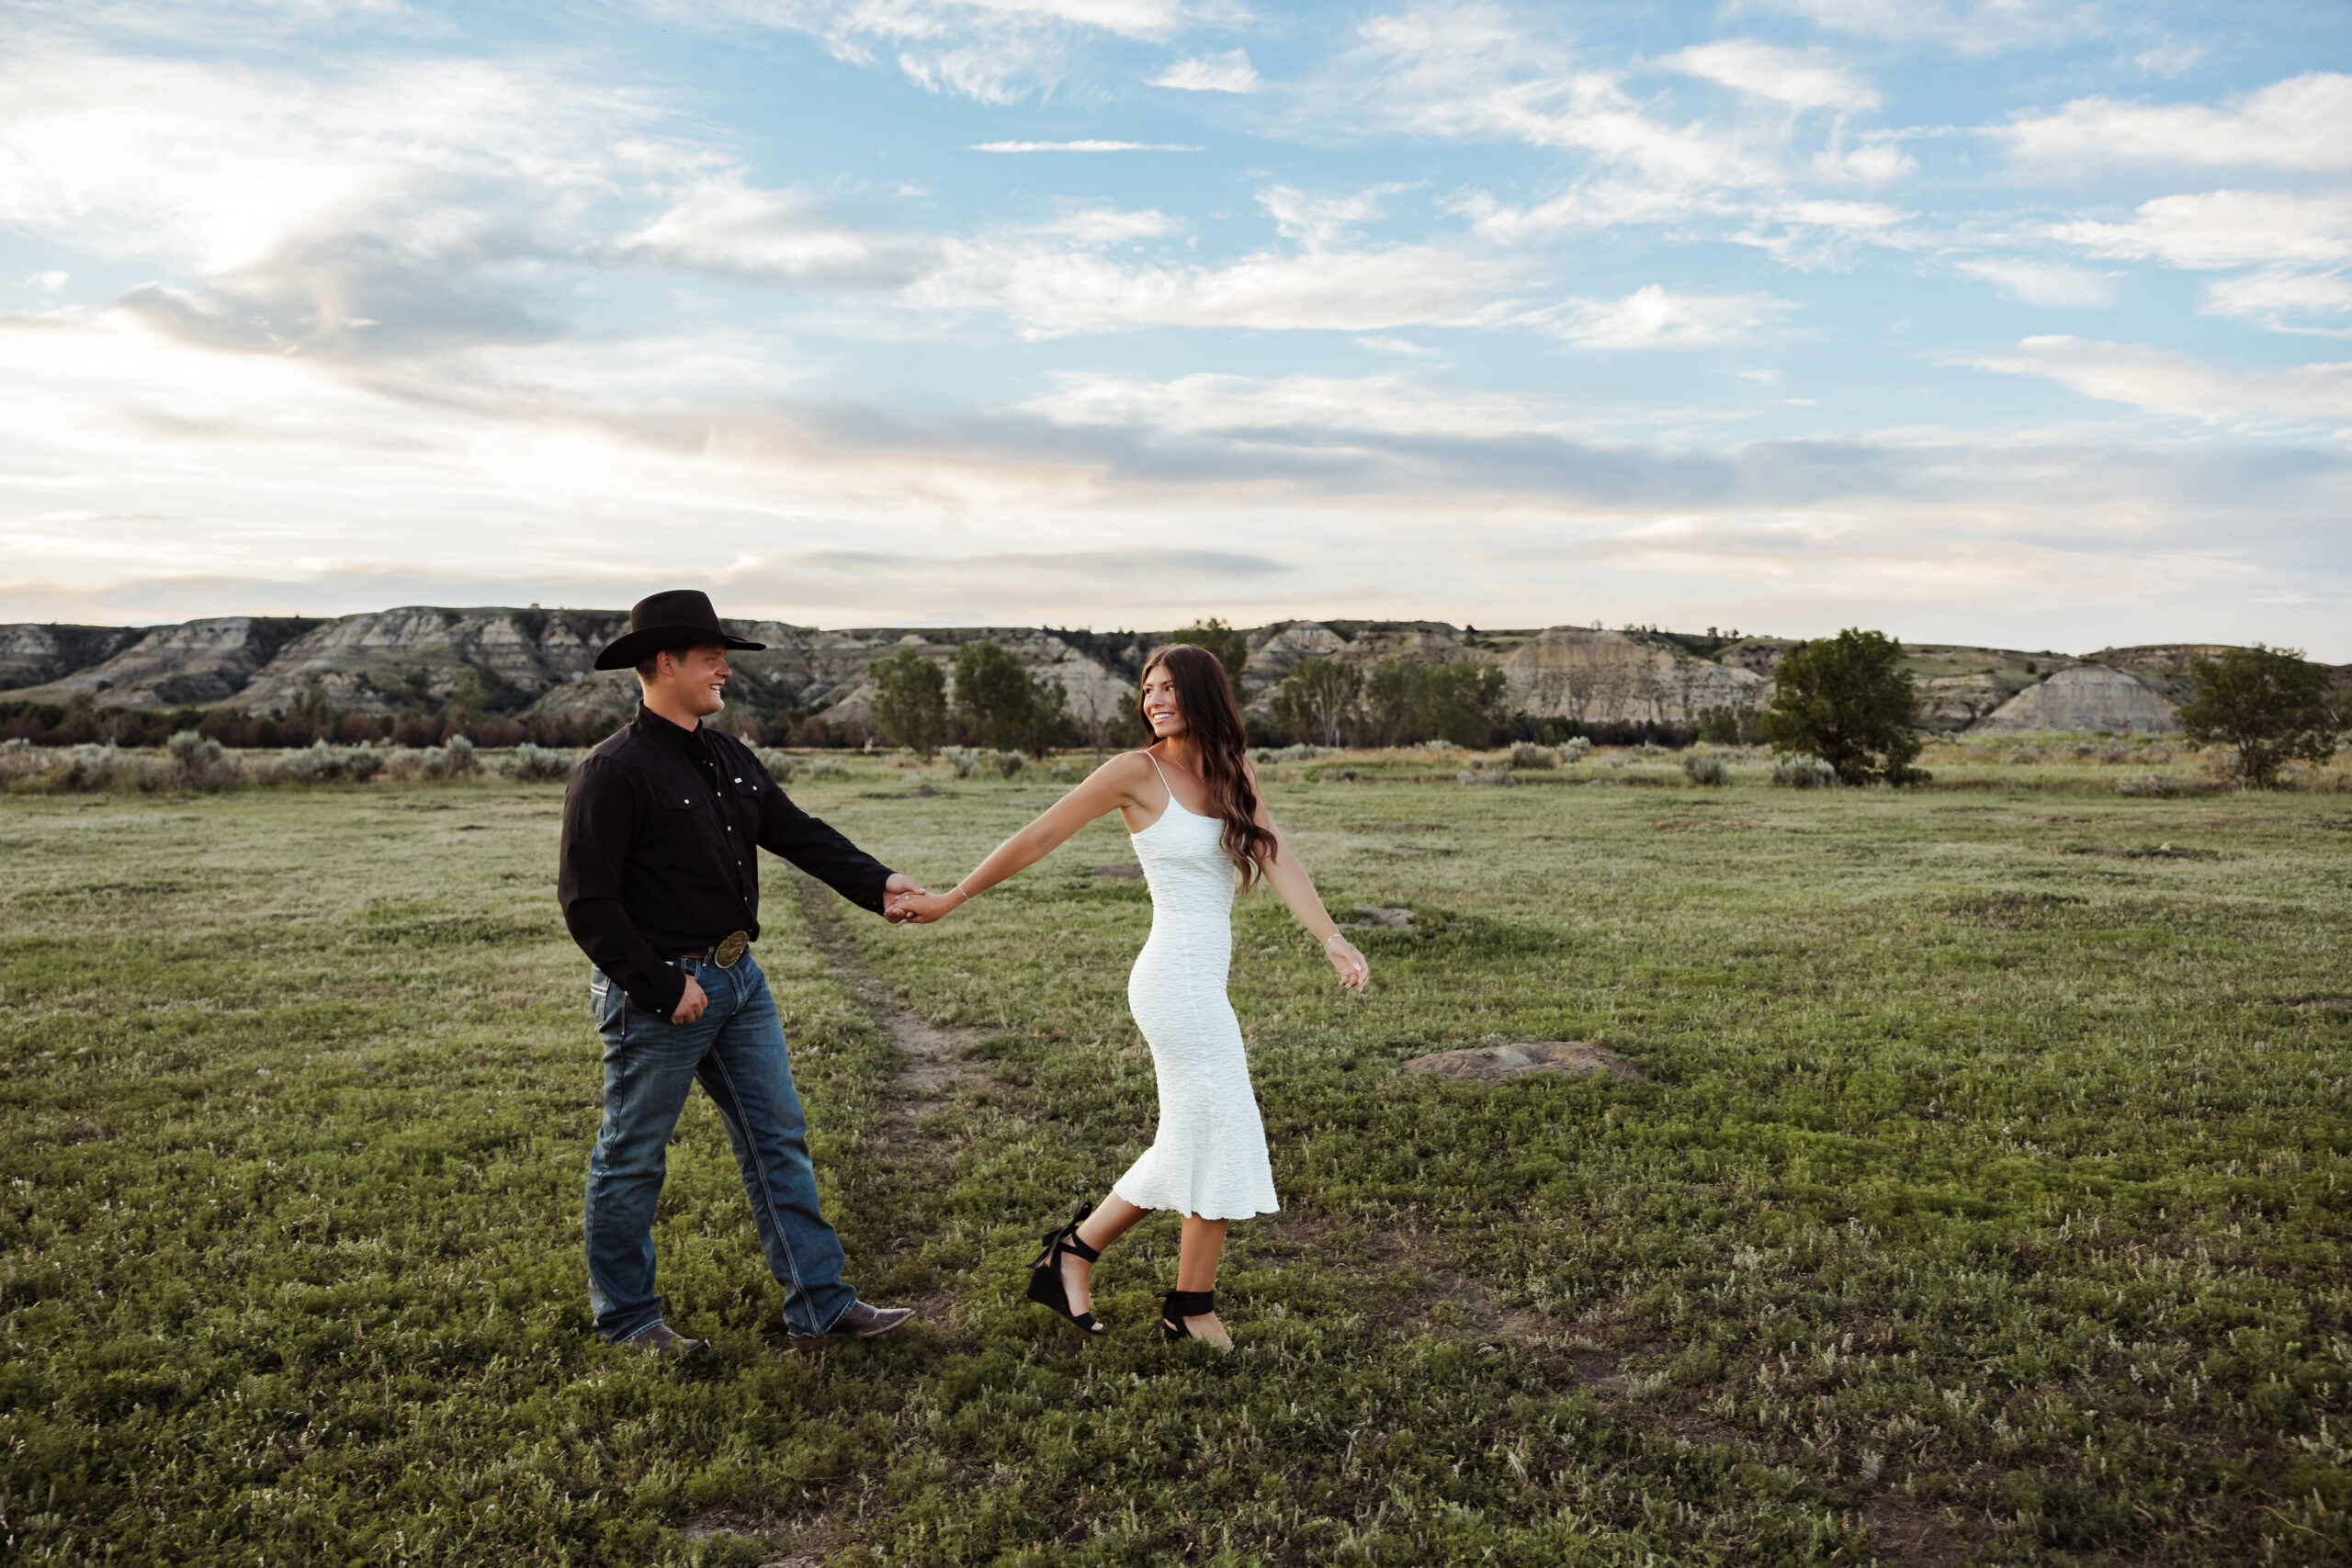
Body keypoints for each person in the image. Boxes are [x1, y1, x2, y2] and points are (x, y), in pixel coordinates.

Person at [895, 644, 1369, 1348]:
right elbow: (1040, 834)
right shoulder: (1134, 772)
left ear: (1203, 694)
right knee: (1224, 1124)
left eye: (1169, 686)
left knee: (1195, 1134)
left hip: (1201, 977)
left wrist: (1330, 936)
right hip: (1173, 980)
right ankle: (1188, 1305)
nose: (1154, 699)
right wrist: (951, 899)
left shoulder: (1233, 768)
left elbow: (1273, 853)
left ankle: (1073, 1258)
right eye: (1147, 688)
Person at [557, 589, 927, 1357]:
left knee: (777, 1137)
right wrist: (662, 984)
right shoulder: (612, 770)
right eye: (710, 656)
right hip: (661, 993)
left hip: (738, 982)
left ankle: (820, 1309)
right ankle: (628, 1320)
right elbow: (587, 903)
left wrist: (876, 882)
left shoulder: (729, 756)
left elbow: (795, 832)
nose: (724, 667)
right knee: (632, 1155)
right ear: (665, 663)